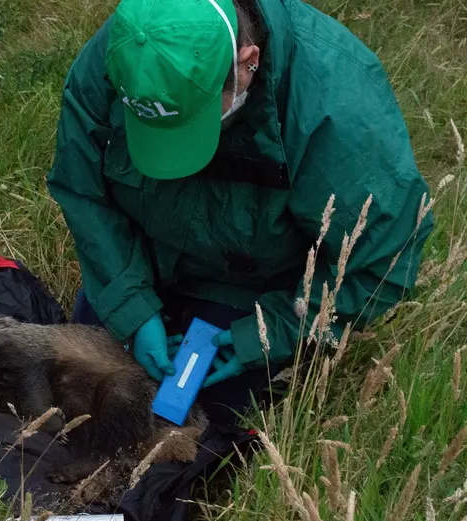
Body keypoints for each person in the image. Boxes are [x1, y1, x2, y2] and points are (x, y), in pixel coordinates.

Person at [45, 0, 433, 407]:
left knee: (193, 417)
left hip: (252, 290)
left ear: (248, 64)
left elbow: (387, 256)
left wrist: (271, 333)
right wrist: (132, 307)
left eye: (195, 122)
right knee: (77, 392)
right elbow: (81, 188)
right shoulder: (133, 52)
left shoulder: (336, 110)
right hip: (138, 260)